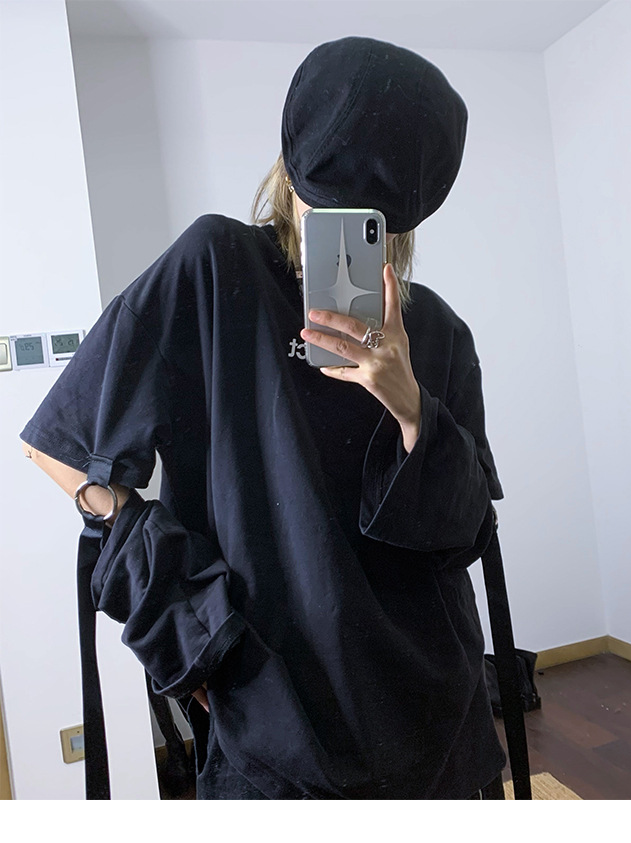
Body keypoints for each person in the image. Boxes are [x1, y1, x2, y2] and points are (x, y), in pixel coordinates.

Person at [21, 36, 506, 800]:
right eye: (325, 194)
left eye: (366, 212)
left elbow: (467, 534)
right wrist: (192, 627)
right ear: (291, 169)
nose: (336, 222)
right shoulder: (217, 268)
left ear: (403, 216)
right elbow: (64, 444)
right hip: (279, 725)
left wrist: (412, 406)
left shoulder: (439, 333)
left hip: (436, 722)